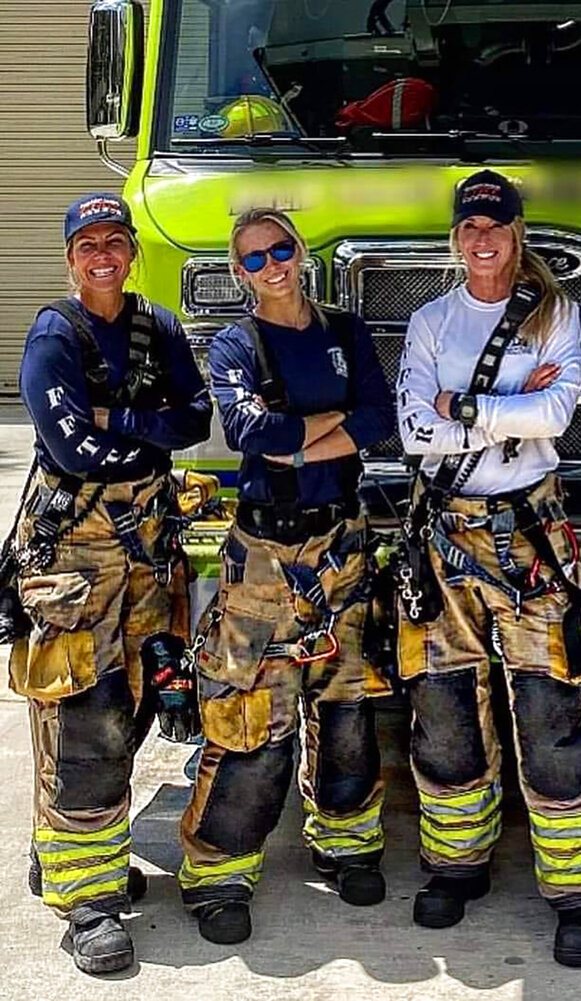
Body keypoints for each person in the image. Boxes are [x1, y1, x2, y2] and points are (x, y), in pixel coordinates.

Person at [395, 169, 581, 968]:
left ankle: (580, 891)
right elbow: (414, 431)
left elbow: (557, 414)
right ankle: (456, 865)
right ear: (455, 239)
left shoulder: (558, 314)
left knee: (550, 706)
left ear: (516, 232)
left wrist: (463, 408)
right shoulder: (430, 318)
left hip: (531, 534)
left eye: (495, 225)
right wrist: (499, 413)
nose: (481, 239)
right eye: (469, 228)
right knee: (445, 705)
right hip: (444, 535)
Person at [176, 209, 394, 945]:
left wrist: (300, 449)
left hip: (341, 543)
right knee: (250, 720)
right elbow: (248, 434)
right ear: (239, 272)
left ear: (299, 253)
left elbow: (379, 415)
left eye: (280, 249)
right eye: (253, 258)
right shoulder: (238, 343)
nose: (271, 265)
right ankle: (219, 872)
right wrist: (325, 432)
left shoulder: (344, 332)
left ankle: (346, 843)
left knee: (345, 704)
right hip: (263, 558)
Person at [11, 193, 211, 974]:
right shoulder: (54, 333)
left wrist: (120, 424)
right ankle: (88, 901)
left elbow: (193, 420)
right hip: (75, 556)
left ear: (131, 251)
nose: (103, 255)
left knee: (136, 703)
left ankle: (62, 850)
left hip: (148, 552)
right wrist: (145, 433)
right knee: (81, 716)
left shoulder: (155, 326)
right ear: (70, 258)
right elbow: (69, 444)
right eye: (87, 244)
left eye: (114, 242)